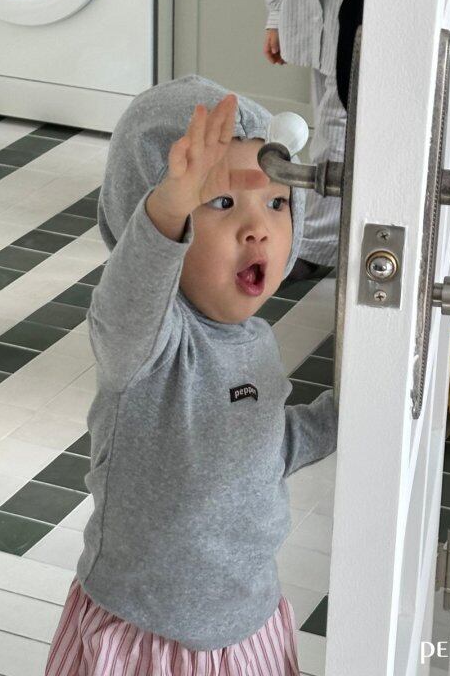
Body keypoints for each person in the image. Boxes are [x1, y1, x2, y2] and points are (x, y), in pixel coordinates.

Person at [44, 75, 338, 676]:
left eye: (277, 203)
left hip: (249, 622)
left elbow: (264, 445)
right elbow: (130, 299)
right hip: (146, 634)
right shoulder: (147, 342)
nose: (258, 228)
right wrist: (168, 208)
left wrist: (349, 412)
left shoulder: (253, 340)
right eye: (222, 202)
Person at [264, 0, 367, 279]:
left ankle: (312, 246)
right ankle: (323, 237)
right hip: (316, 15)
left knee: (336, 132)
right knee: (329, 125)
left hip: (361, 18)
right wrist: (277, 16)